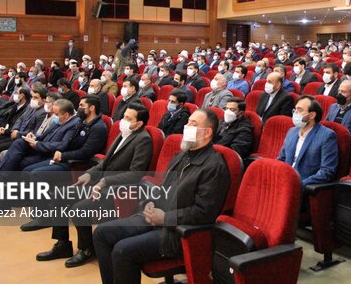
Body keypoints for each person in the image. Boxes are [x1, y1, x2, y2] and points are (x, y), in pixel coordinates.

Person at [93, 108, 229, 284]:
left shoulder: (214, 166)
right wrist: (149, 202)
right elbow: (163, 188)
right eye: (187, 122)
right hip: (155, 218)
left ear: (207, 132)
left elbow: (203, 212)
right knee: (101, 233)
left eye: (193, 124)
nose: (186, 126)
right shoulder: (182, 156)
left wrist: (165, 218)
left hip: (176, 231)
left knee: (122, 250)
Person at [36, 103, 152, 268]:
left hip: (117, 190)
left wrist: (105, 181)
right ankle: (62, 244)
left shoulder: (143, 139)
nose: (123, 120)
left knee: (78, 209)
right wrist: (89, 174)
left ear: (139, 123)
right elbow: (104, 163)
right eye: (124, 116)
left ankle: (86, 249)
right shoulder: (124, 133)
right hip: (101, 184)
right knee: (59, 196)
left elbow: (135, 174)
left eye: (128, 118)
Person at [19, 95, 109, 231]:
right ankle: (42, 210)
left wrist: (63, 155)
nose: (78, 108)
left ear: (92, 108)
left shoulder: (98, 127)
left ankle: (44, 218)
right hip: (64, 159)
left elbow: (86, 152)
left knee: (36, 175)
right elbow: (69, 142)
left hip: (76, 165)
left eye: (82, 106)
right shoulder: (81, 121)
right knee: (27, 170)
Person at [278, 95, 338, 188]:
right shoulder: (292, 131)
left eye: (300, 110)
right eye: (295, 110)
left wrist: (299, 184)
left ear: (312, 115)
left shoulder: (327, 136)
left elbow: (327, 171)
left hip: (303, 186)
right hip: (284, 181)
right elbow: (281, 159)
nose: (296, 113)